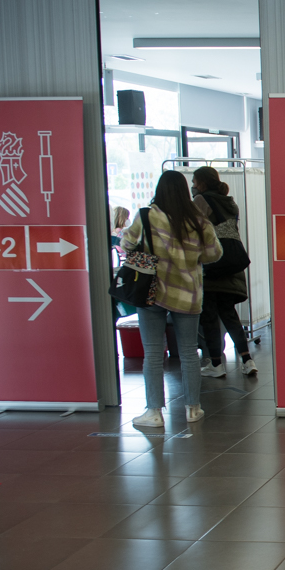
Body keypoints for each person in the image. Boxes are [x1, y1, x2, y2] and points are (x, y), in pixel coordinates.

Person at [123, 170, 222, 430]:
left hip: (151, 293)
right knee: (189, 351)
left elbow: (127, 243)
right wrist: (190, 259)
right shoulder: (198, 221)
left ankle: (154, 412)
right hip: (188, 294)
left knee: (154, 353)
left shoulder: (147, 216)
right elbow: (214, 253)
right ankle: (193, 408)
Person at [191, 166, 256, 378]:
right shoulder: (231, 203)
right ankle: (247, 360)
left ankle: (216, 364)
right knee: (230, 315)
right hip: (231, 267)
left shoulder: (200, 201)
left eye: (194, 181)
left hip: (211, 264)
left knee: (209, 317)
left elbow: (192, 230)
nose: (192, 185)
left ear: (201, 183)